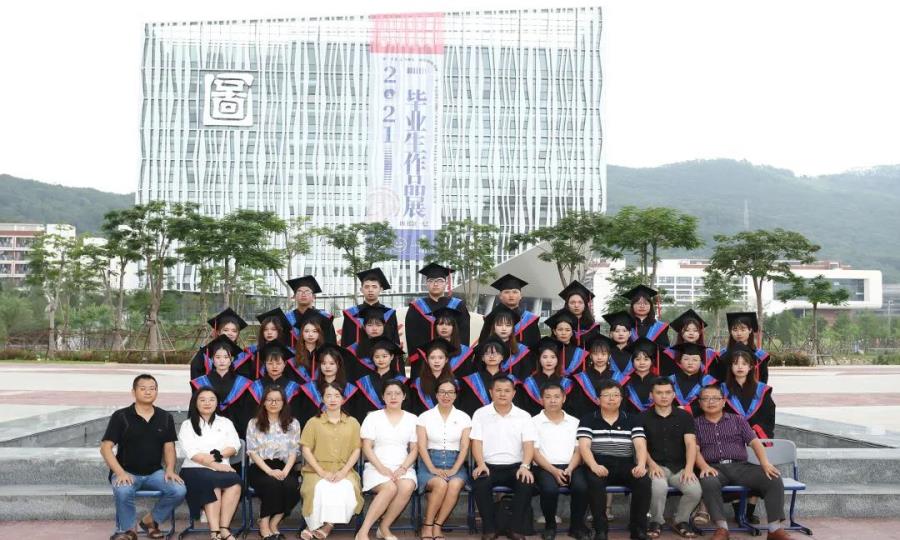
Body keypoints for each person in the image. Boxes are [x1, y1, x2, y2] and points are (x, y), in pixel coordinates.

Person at [694, 385, 792, 540]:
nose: (710, 402)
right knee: (708, 480)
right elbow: (694, 449)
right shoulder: (695, 424)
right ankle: (722, 529)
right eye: (705, 398)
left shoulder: (738, 420)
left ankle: (774, 530)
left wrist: (765, 463)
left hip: (741, 467)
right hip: (714, 468)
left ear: (724, 401)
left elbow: (755, 443)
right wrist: (704, 466)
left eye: (715, 398)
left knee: (772, 478)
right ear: (700, 403)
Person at [101, 374, 186, 540]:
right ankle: (129, 531)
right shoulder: (121, 416)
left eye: (152, 389)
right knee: (123, 491)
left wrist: (170, 469)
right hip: (127, 472)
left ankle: (150, 521)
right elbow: (105, 448)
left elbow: (169, 447)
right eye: (143, 388)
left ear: (157, 392)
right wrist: (120, 473)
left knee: (178, 490)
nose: (148, 392)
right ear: (134, 392)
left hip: (154, 472)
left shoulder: (165, 417)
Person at [577, 379, 651, 540]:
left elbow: (640, 445)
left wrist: (641, 464)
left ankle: (638, 529)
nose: (612, 399)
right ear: (597, 399)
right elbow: (584, 447)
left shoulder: (632, 419)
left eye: (616, 395)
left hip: (625, 463)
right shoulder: (588, 419)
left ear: (621, 398)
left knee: (643, 481)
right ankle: (600, 530)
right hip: (599, 463)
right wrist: (594, 465)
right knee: (594, 482)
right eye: (607, 395)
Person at [470, 374, 537, 540]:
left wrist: (525, 466)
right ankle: (489, 529)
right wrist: (480, 463)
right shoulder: (480, 414)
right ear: (491, 392)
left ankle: (515, 528)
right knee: (480, 483)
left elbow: (528, 444)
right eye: (498, 390)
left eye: (507, 391)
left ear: (513, 393)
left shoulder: (524, 416)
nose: (502, 394)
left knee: (526, 482)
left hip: (516, 467)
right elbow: (476, 442)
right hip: (488, 465)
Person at [299, 382, 364, 540]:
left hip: (344, 468)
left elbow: (356, 449)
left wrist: (343, 472)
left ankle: (328, 525)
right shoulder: (313, 422)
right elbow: (305, 449)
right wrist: (321, 472)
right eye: (328, 396)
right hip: (316, 469)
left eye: (336, 396)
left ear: (343, 399)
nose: (332, 399)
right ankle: (313, 524)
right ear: (322, 399)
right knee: (320, 487)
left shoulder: (353, 422)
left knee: (345, 486)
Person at [356, 380, 419, 540]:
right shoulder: (373, 417)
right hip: (376, 466)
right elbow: (366, 447)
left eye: (397, 393)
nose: (393, 397)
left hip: (402, 466)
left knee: (407, 486)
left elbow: (415, 449)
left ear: (404, 396)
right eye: (389, 393)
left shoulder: (412, 419)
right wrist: (381, 468)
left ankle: (384, 527)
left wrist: (403, 468)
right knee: (389, 488)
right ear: (383, 397)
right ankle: (363, 532)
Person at [178, 387, 243, 540]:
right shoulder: (187, 425)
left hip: (221, 467)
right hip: (193, 468)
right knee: (212, 482)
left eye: (211, 399)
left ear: (217, 403)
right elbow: (192, 452)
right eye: (203, 400)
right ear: (195, 403)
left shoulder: (225, 422)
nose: (207, 403)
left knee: (235, 484)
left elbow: (234, 445)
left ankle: (224, 528)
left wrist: (218, 456)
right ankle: (215, 532)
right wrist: (215, 465)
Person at [722, 345, 777, 527]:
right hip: (731, 439)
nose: (740, 367)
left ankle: (750, 512)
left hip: (756, 437)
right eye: (736, 363)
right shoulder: (722, 390)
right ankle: (738, 513)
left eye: (744, 363)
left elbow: (769, 415)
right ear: (730, 367)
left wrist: (755, 431)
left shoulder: (762, 390)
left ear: (751, 367)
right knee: (733, 472)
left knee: (757, 469)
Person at [642, 377, 702, 539]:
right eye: (659, 392)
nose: (664, 396)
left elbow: (690, 444)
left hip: (679, 467)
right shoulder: (642, 418)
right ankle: (656, 521)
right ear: (651, 395)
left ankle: (681, 520)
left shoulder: (685, 416)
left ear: (674, 394)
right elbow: (640, 446)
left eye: (668, 392)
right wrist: (651, 464)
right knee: (658, 487)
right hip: (655, 466)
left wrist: (689, 468)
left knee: (694, 490)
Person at [531, 381, 590, 540]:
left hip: (572, 465)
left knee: (582, 487)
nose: (553, 400)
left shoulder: (574, 422)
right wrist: (553, 470)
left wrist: (570, 469)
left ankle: (576, 527)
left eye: (557, 397)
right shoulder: (533, 422)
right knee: (549, 489)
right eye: (548, 397)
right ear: (541, 399)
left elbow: (579, 450)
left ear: (563, 398)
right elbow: (534, 452)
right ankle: (550, 526)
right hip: (544, 467)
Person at [416, 378, 472, 540]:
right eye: (442, 392)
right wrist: (432, 469)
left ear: (455, 395)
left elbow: (464, 447)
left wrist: (455, 469)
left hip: (455, 462)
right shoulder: (424, 417)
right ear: (436, 395)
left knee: (454, 484)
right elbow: (421, 446)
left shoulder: (464, 417)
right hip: (429, 461)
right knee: (440, 484)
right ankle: (427, 525)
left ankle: (437, 525)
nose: (446, 396)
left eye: (450, 392)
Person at [246, 385, 302, 540]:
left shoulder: (293, 423)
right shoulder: (254, 423)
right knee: (272, 484)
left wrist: (285, 471)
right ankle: (264, 524)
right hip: (260, 466)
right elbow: (252, 452)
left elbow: (294, 451)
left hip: (284, 466)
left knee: (291, 486)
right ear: (263, 402)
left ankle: (274, 523)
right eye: (269, 400)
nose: (273, 403)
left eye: (277, 400)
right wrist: (269, 471)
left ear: (284, 403)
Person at [189, 335, 255, 439]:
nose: (222, 361)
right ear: (212, 359)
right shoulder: (201, 382)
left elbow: (245, 412)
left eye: (226, 357)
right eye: (218, 357)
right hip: (208, 431)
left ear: (231, 359)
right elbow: (194, 409)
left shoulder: (242, 383)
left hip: (235, 431)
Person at [405, 262, 471, 364]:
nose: (435, 284)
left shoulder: (458, 305)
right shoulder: (416, 307)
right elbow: (411, 337)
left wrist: (458, 358)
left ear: (446, 283)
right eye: (431, 281)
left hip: (453, 360)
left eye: (440, 281)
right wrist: (419, 358)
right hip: (424, 360)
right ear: (426, 284)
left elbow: (464, 334)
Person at [295, 344, 358, 428]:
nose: (327, 367)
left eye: (332, 363)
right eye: (323, 363)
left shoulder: (348, 389)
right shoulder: (310, 388)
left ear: (338, 365)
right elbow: (304, 416)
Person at [349, 337, 408, 423]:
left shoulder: (401, 381)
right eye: (377, 357)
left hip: (395, 422)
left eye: (384, 356)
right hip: (370, 422)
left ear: (392, 357)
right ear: (372, 358)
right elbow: (359, 407)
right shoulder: (365, 381)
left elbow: (406, 406)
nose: (381, 360)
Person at [409, 305, 474, 379]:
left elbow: (467, 378)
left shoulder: (465, 352)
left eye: (448, 324)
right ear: (435, 327)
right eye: (440, 324)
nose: (444, 327)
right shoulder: (425, 350)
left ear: (454, 328)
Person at [341, 267, 399, 347]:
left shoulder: (388, 313)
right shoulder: (351, 314)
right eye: (367, 287)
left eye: (374, 286)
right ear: (361, 290)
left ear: (381, 289)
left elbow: (394, 340)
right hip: (357, 354)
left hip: (383, 354)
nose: (370, 290)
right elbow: (345, 341)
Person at [249, 341, 303, 426]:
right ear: (265, 364)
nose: (274, 367)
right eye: (270, 363)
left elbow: (297, 413)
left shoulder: (294, 388)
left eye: (278, 363)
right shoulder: (255, 387)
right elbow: (251, 412)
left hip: (286, 427)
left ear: (285, 364)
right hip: (260, 427)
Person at [458, 337, 516, 416]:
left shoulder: (511, 380)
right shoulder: (472, 380)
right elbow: (467, 405)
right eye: (487, 353)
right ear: (483, 358)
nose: (491, 356)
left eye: (496, 353)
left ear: (502, 357)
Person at [516, 337, 573, 417]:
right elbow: (525, 408)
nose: (549, 361)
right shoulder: (529, 383)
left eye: (553, 357)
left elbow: (570, 408)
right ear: (539, 359)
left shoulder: (566, 383)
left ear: (558, 360)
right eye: (545, 357)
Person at [190, 308, 249, 379]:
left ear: (237, 334)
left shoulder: (242, 356)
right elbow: (196, 376)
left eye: (234, 331)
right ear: (218, 332)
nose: (230, 333)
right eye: (226, 330)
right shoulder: (205, 353)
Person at [478, 304, 532, 380]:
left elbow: (525, 376)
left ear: (513, 328)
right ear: (494, 327)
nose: (504, 328)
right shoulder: (483, 348)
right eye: (499, 325)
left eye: (508, 325)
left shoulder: (521, 350)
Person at [240, 308, 296, 381]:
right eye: (265, 329)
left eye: (273, 329)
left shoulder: (288, 352)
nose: (269, 332)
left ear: (279, 331)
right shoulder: (252, 351)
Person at [490, 273, 541, 350]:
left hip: (524, 357)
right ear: (500, 296)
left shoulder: (529, 319)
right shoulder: (492, 318)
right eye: (507, 292)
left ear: (521, 296)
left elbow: (536, 345)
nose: (511, 295)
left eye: (515, 292)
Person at [569, 335, 615, 420]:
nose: (599, 357)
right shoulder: (581, 378)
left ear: (609, 356)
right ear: (590, 356)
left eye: (603, 354)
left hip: (611, 419)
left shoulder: (617, 377)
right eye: (595, 354)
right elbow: (577, 404)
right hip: (586, 419)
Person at [662, 309, 718, 378]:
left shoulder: (709, 354)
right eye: (687, 330)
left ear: (700, 333)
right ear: (680, 332)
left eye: (695, 330)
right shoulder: (670, 353)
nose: (691, 333)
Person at [343, 304, 392, 382]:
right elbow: (349, 375)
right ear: (364, 327)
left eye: (378, 325)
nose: (374, 328)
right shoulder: (353, 350)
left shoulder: (391, 348)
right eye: (370, 325)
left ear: (384, 327)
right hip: (361, 387)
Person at [717, 312, 770, 383]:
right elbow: (718, 378)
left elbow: (763, 379)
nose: (739, 333)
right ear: (731, 332)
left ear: (750, 330)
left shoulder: (759, 355)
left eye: (743, 329)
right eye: (735, 330)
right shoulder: (723, 354)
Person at [408, 337, 456, 415]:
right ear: (427, 360)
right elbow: (414, 408)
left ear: (446, 360)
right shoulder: (418, 383)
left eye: (440, 358)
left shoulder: (454, 383)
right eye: (432, 358)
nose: (436, 361)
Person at [668, 342, 719, 415]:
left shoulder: (709, 382)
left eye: (695, 360)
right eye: (686, 359)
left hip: (699, 419)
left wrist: (688, 410)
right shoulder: (669, 381)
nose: (690, 363)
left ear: (700, 362)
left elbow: (712, 405)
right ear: (680, 361)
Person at [285, 275, 337, 345]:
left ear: (314, 297)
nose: (303, 294)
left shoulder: (324, 317)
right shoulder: (287, 318)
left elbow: (331, 342)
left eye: (307, 291)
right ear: (294, 297)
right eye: (299, 291)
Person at [622, 285, 670, 351]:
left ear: (650, 306)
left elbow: (665, 349)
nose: (642, 306)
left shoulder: (659, 327)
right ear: (632, 306)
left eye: (646, 303)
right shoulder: (625, 325)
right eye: (638, 303)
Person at [544, 310, 589, 376]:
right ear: (554, 332)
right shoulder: (546, 350)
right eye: (560, 330)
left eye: (567, 330)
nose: (563, 333)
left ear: (572, 332)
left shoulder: (579, 353)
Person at [557, 280, 601, 348]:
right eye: (572, 302)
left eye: (580, 302)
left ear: (585, 305)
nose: (576, 305)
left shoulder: (592, 327)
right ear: (567, 304)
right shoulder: (559, 323)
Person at [622, 337, 657, 415]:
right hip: (631, 419)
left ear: (652, 362)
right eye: (637, 359)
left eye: (646, 359)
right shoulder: (625, 381)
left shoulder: (659, 381)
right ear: (632, 361)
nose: (642, 363)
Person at [602, 311, 636, 382]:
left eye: (624, 331)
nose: (621, 334)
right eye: (617, 331)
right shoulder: (606, 352)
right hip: (610, 386)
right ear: (611, 334)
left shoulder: (636, 351)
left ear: (630, 333)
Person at [293, 310, 325, 383]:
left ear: (319, 334)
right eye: (306, 331)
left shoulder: (324, 353)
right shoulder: (294, 354)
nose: (310, 334)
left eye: (314, 331)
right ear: (302, 333)